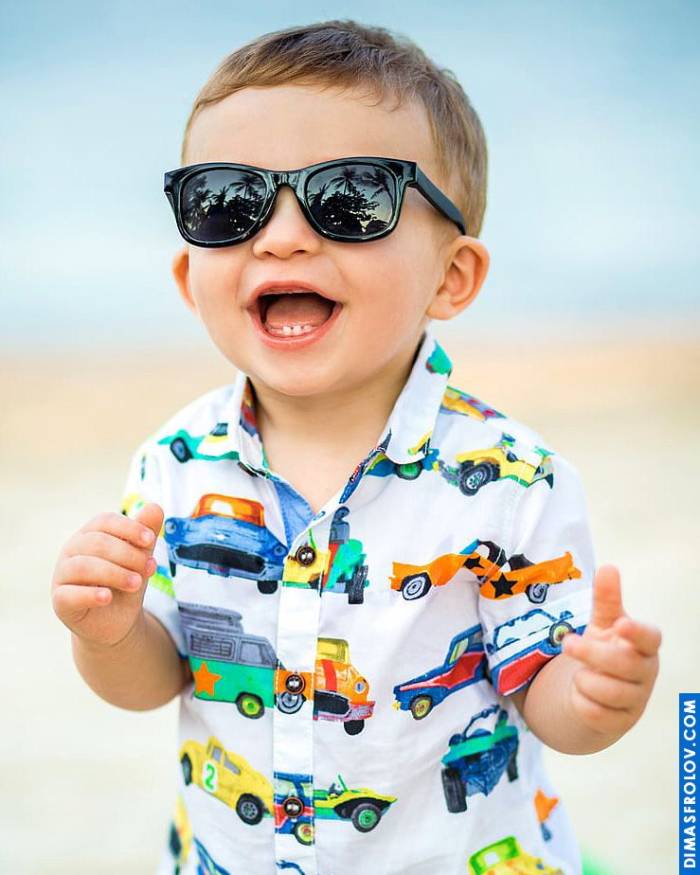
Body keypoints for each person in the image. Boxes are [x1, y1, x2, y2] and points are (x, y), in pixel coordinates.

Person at [50, 19, 661, 875]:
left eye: (351, 200)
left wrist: (593, 696)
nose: (282, 236)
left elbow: (543, 696)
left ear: (451, 277)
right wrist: (108, 632)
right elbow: (156, 679)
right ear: (192, 281)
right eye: (227, 201)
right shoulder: (174, 465)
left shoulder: (510, 480)